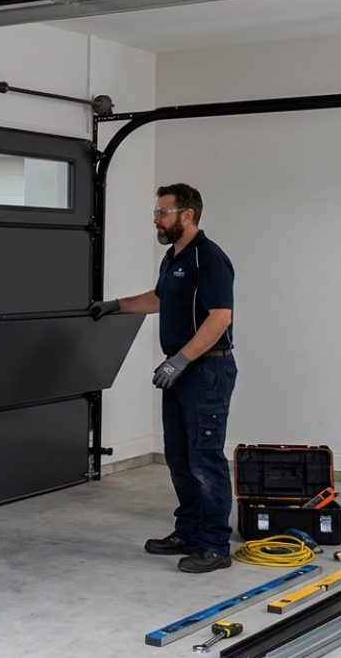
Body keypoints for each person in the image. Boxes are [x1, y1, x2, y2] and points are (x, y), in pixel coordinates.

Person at [90, 183, 237, 574]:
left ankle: (215, 545)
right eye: (156, 212)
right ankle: (188, 531)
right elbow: (160, 298)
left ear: (186, 215)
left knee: (205, 458)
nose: (156, 219)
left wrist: (180, 360)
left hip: (207, 371)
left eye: (162, 212)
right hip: (182, 372)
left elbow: (220, 317)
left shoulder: (209, 258)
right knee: (179, 456)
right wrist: (115, 306)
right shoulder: (173, 257)